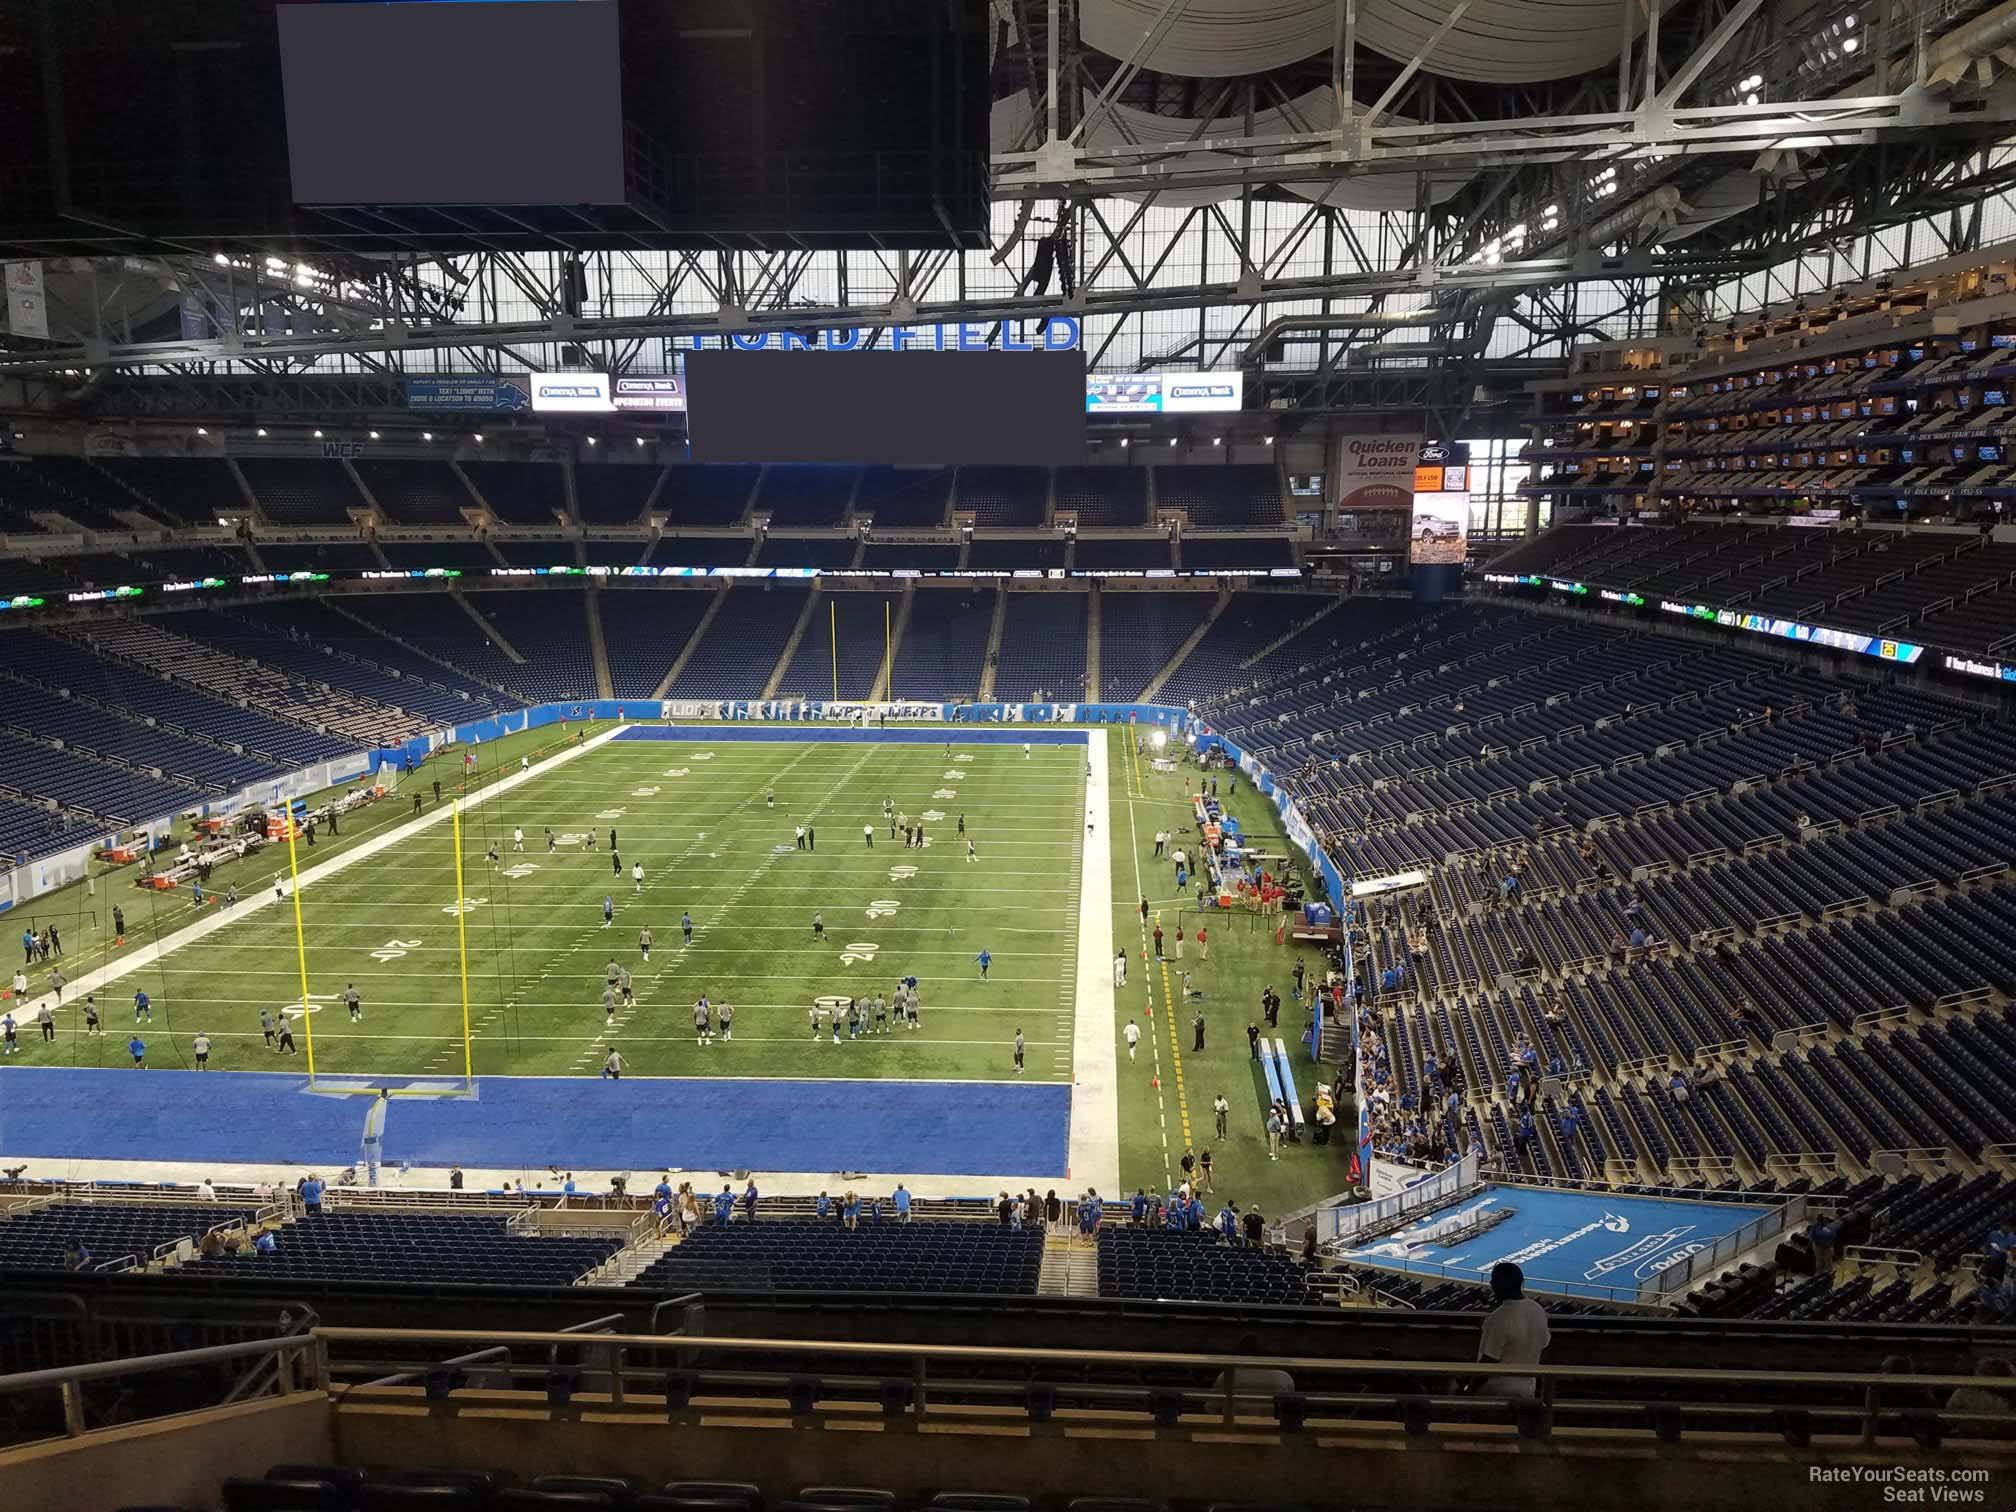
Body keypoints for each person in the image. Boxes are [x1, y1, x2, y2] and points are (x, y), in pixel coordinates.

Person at [1473, 1261, 1550, 1398]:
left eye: (1494, 1279)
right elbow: (1544, 1344)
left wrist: (1468, 1391)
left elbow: (1489, 1361)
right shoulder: (1538, 1310)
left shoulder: (1499, 1317)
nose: (1491, 1284)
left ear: (1503, 1284)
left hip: (1496, 1391)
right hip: (1528, 1390)